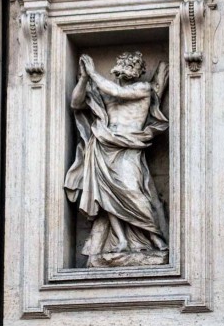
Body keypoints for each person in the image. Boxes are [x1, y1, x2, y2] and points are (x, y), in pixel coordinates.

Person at [64, 52, 169, 267]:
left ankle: (156, 237)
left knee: (133, 191)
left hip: (129, 146)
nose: (128, 67)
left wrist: (93, 73)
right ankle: (121, 241)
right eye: (125, 63)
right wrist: (84, 78)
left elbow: (118, 91)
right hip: (103, 145)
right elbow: (76, 103)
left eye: (133, 65)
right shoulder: (104, 92)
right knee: (107, 196)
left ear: (139, 71)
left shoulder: (142, 89)